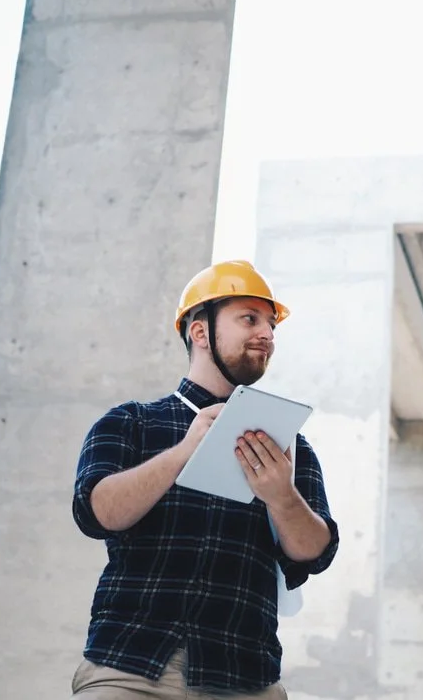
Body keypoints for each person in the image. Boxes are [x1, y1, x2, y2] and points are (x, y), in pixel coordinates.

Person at [70, 260, 339, 699]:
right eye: (249, 319)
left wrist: (281, 497)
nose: (267, 335)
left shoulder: (288, 446)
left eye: (271, 325)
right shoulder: (132, 422)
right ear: (200, 331)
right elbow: (96, 512)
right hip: (131, 667)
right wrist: (184, 452)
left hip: (244, 677)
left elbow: (313, 554)